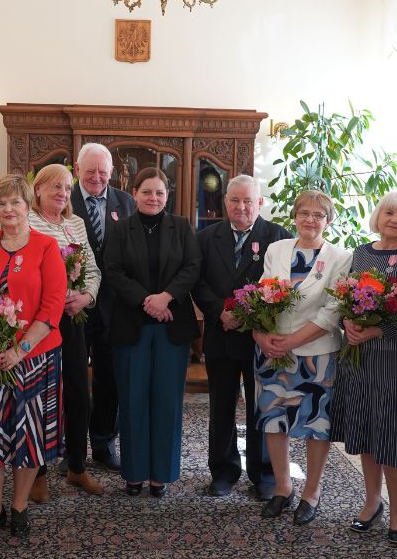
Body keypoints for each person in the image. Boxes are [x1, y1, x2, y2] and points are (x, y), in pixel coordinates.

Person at [0, 175, 67, 541]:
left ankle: (19, 505)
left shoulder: (46, 246)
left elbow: (53, 306)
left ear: (27, 207)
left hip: (36, 357)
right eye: (1, 204)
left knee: (29, 435)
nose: (8, 210)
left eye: (15, 203)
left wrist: (19, 351)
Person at [333, 191, 397, 541]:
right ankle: (371, 501)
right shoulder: (361, 253)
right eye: (389, 213)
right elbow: (346, 299)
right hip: (361, 358)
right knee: (366, 428)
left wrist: (379, 328)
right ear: (378, 216)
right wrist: (347, 323)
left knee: (392, 433)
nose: (394, 219)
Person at [254, 190, 353, 523]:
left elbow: (333, 310)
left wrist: (292, 341)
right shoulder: (276, 249)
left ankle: (311, 491)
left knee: (315, 425)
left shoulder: (340, 257)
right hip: (272, 350)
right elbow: (263, 293)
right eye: (304, 213)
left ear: (328, 220)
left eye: (318, 215)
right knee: (273, 420)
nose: (310, 220)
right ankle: (283, 488)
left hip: (316, 355)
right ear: (294, 216)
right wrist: (261, 334)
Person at [103, 167, 201, 497]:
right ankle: (133, 473)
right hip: (132, 326)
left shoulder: (182, 227)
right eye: (147, 192)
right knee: (132, 400)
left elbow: (192, 267)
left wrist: (166, 297)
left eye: (159, 192)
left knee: (166, 402)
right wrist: (147, 300)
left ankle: (161, 474)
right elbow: (112, 270)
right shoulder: (120, 229)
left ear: (167, 195)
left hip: (172, 326)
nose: (153, 198)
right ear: (134, 193)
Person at [191, 174, 291, 499]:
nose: (241, 206)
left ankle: (262, 474)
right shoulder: (206, 237)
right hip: (220, 335)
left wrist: (248, 316)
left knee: (260, 407)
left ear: (260, 203)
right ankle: (223, 471)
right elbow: (197, 281)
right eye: (235, 200)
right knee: (221, 406)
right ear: (225, 203)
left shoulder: (278, 238)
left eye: (248, 200)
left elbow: (284, 285)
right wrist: (219, 310)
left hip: (259, 339)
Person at [28, 163, 105, 496]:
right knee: (41, 396)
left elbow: (92, 270)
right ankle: (38, 472)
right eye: (54, 187)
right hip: (40, 322)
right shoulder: (28, 221)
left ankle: (77, 467)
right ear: (38, 190)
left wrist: (86, 296)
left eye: (66, 188)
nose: (61, 193)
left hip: (73, 319)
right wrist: (57, 298)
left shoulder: (75, 223)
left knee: (78, 393)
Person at [71, 142, 136, 472]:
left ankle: (103, 442)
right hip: (74, 307)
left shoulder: (125, 202)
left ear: (111, 173)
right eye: (90, 171)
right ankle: (72, 448)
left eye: (103, 172)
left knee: (109, 377)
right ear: (77, 171)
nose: (97, 177)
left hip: (114, 306)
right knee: (74, 379)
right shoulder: (61, 200)